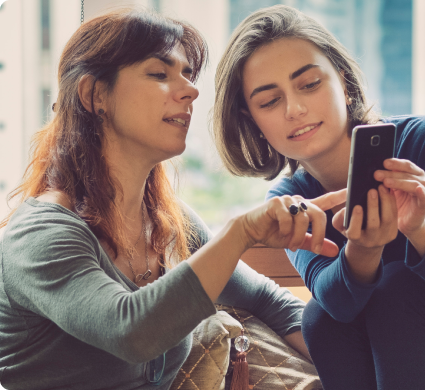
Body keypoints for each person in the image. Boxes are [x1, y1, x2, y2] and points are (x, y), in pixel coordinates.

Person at [0, 9, 346, 390]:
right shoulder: (40, 236)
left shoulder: (170, 224)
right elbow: (131, 333)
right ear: (95, 95)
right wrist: (241, 233)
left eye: (187, 74)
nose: (191, 90)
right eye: (159, 74)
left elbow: (270, 303)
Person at [212, 5, 425, 390]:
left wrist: (420, 231)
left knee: (397, 288)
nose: (296, 109)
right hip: (415, 365)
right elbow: (336, 308)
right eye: (269, 101)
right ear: (252, 120)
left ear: (343, 82)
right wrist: (363, 251)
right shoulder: (292, 198)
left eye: (309, 84)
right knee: (320, 320)